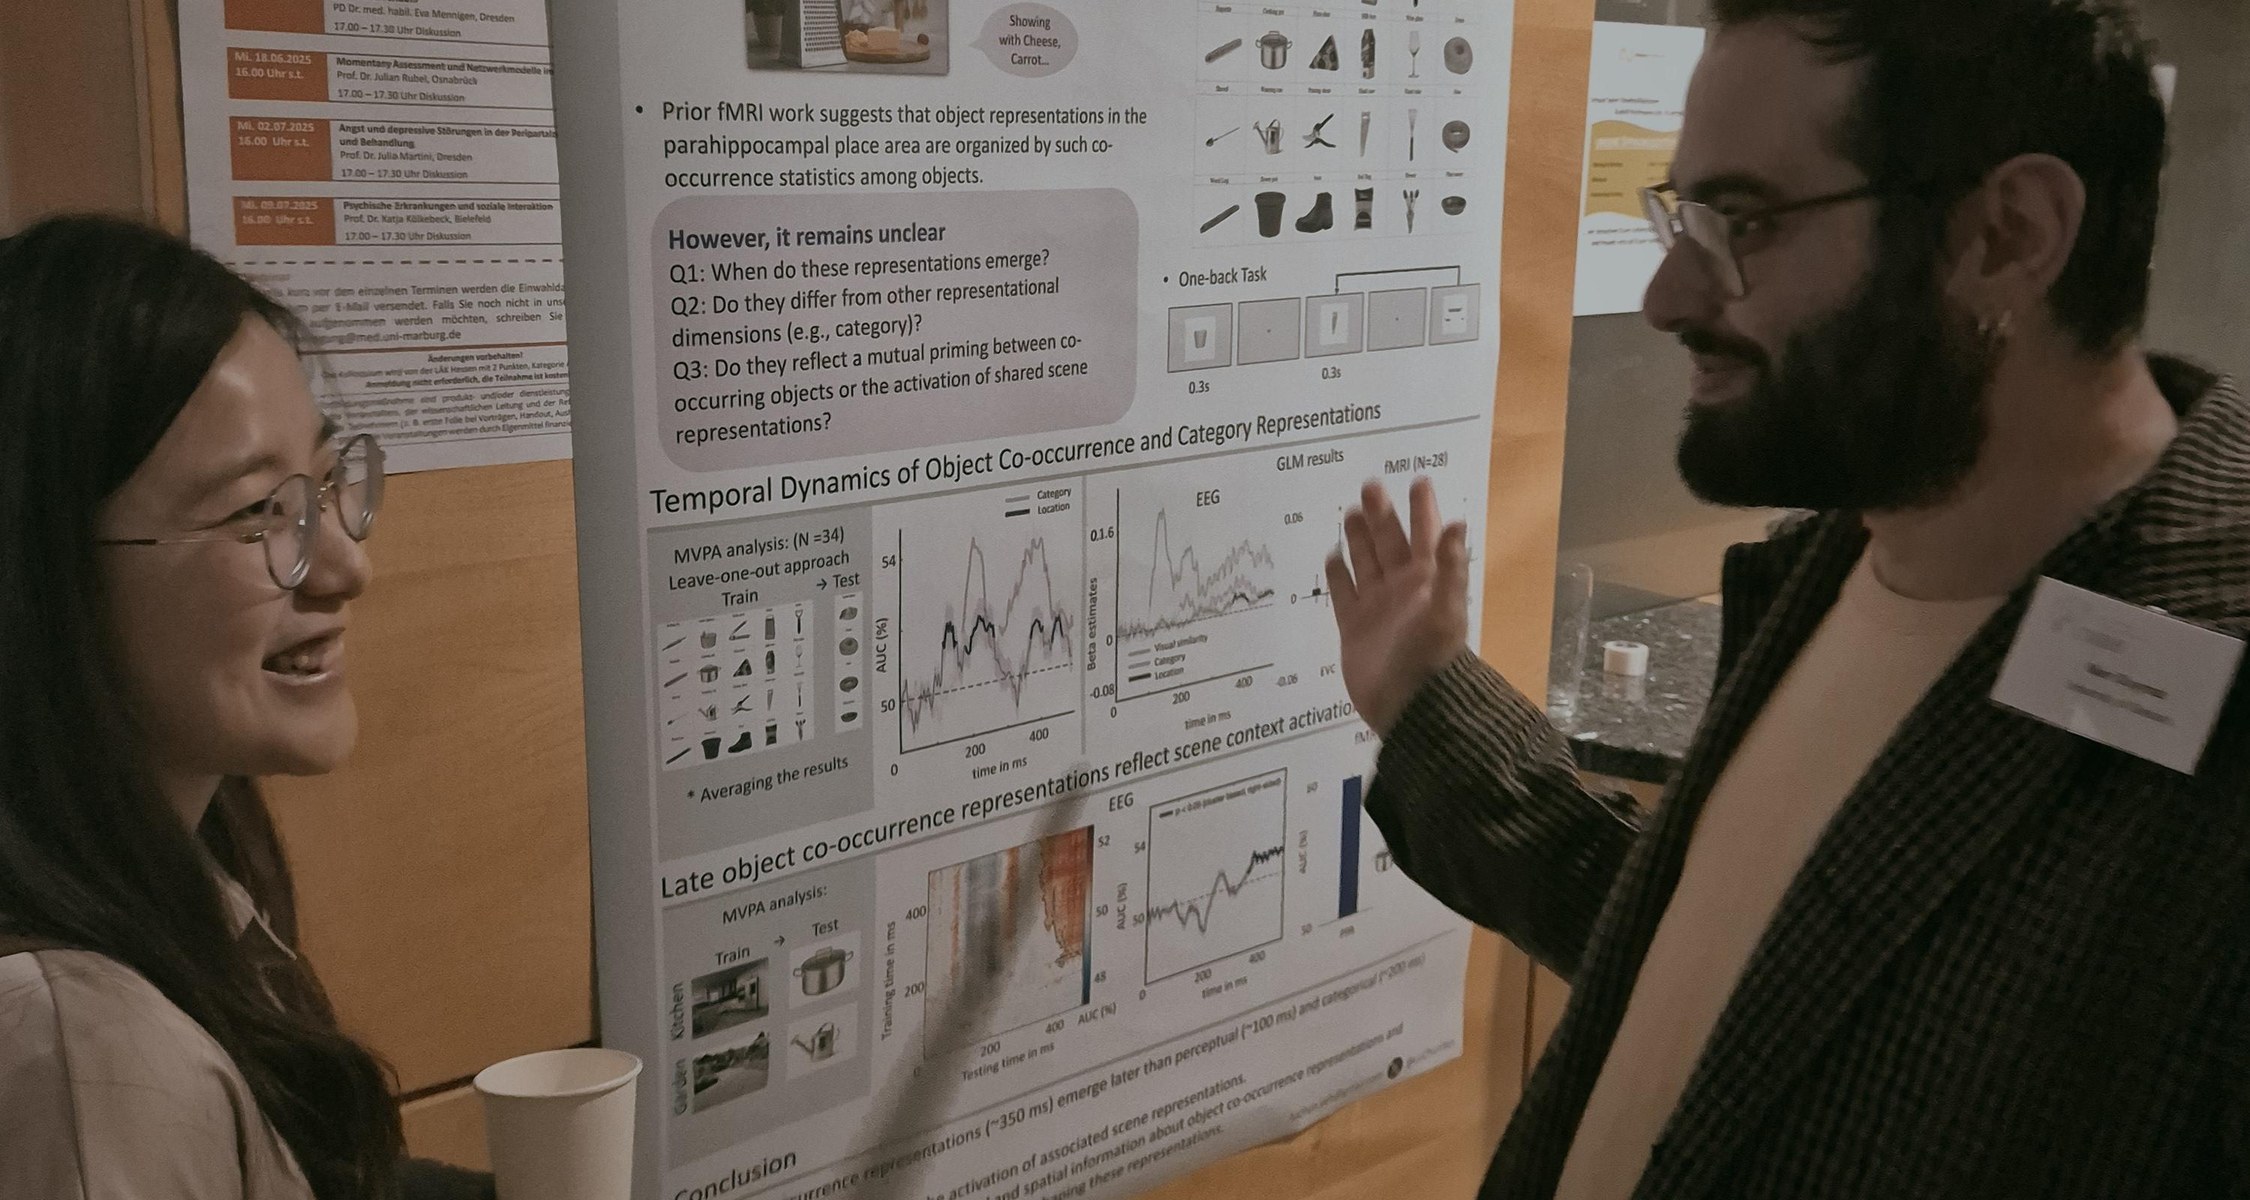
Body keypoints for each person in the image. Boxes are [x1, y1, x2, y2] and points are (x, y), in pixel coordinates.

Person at [1330, 2, 2250, 1196]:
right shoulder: (1836, 557)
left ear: (2008, 235)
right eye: (1681, 218)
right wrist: (1426, 702)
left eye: (1744, 222)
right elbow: (1762, 985)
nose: (1667, 295)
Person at [0, 216, 490, 1199]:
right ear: (47, 574)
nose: (345, 567)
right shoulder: (84, 1055)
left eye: (326, 483)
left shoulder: (168, 867)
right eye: (258, 511)